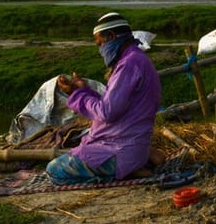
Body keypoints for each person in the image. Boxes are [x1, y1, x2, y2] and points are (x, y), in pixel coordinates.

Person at [45, 12, 162, 185]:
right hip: (126, 145)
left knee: (54, 171)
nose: (100, 50)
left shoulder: (128, 65)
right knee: (75, 155)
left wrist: (77, 95)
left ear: (112, 37)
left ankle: (121, 173)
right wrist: (82, 90)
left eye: (100, 44)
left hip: (119, 149)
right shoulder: (136, 60)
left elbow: (107, 112)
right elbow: (111, 105)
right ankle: (134, 165)